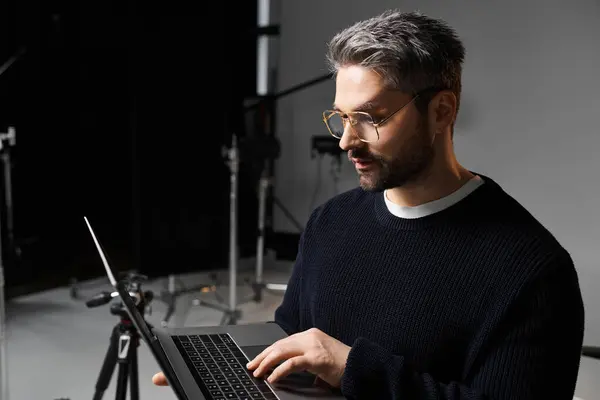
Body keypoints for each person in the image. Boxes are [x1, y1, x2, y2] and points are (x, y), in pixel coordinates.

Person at [153, 9, 585, 399]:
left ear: (441, 112)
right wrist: (227, 375)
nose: (346, 142)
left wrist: (352, 368)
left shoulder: (533, 272)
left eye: (371, 118)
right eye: (342, 117)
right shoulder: (331, 221)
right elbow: (290, 333)